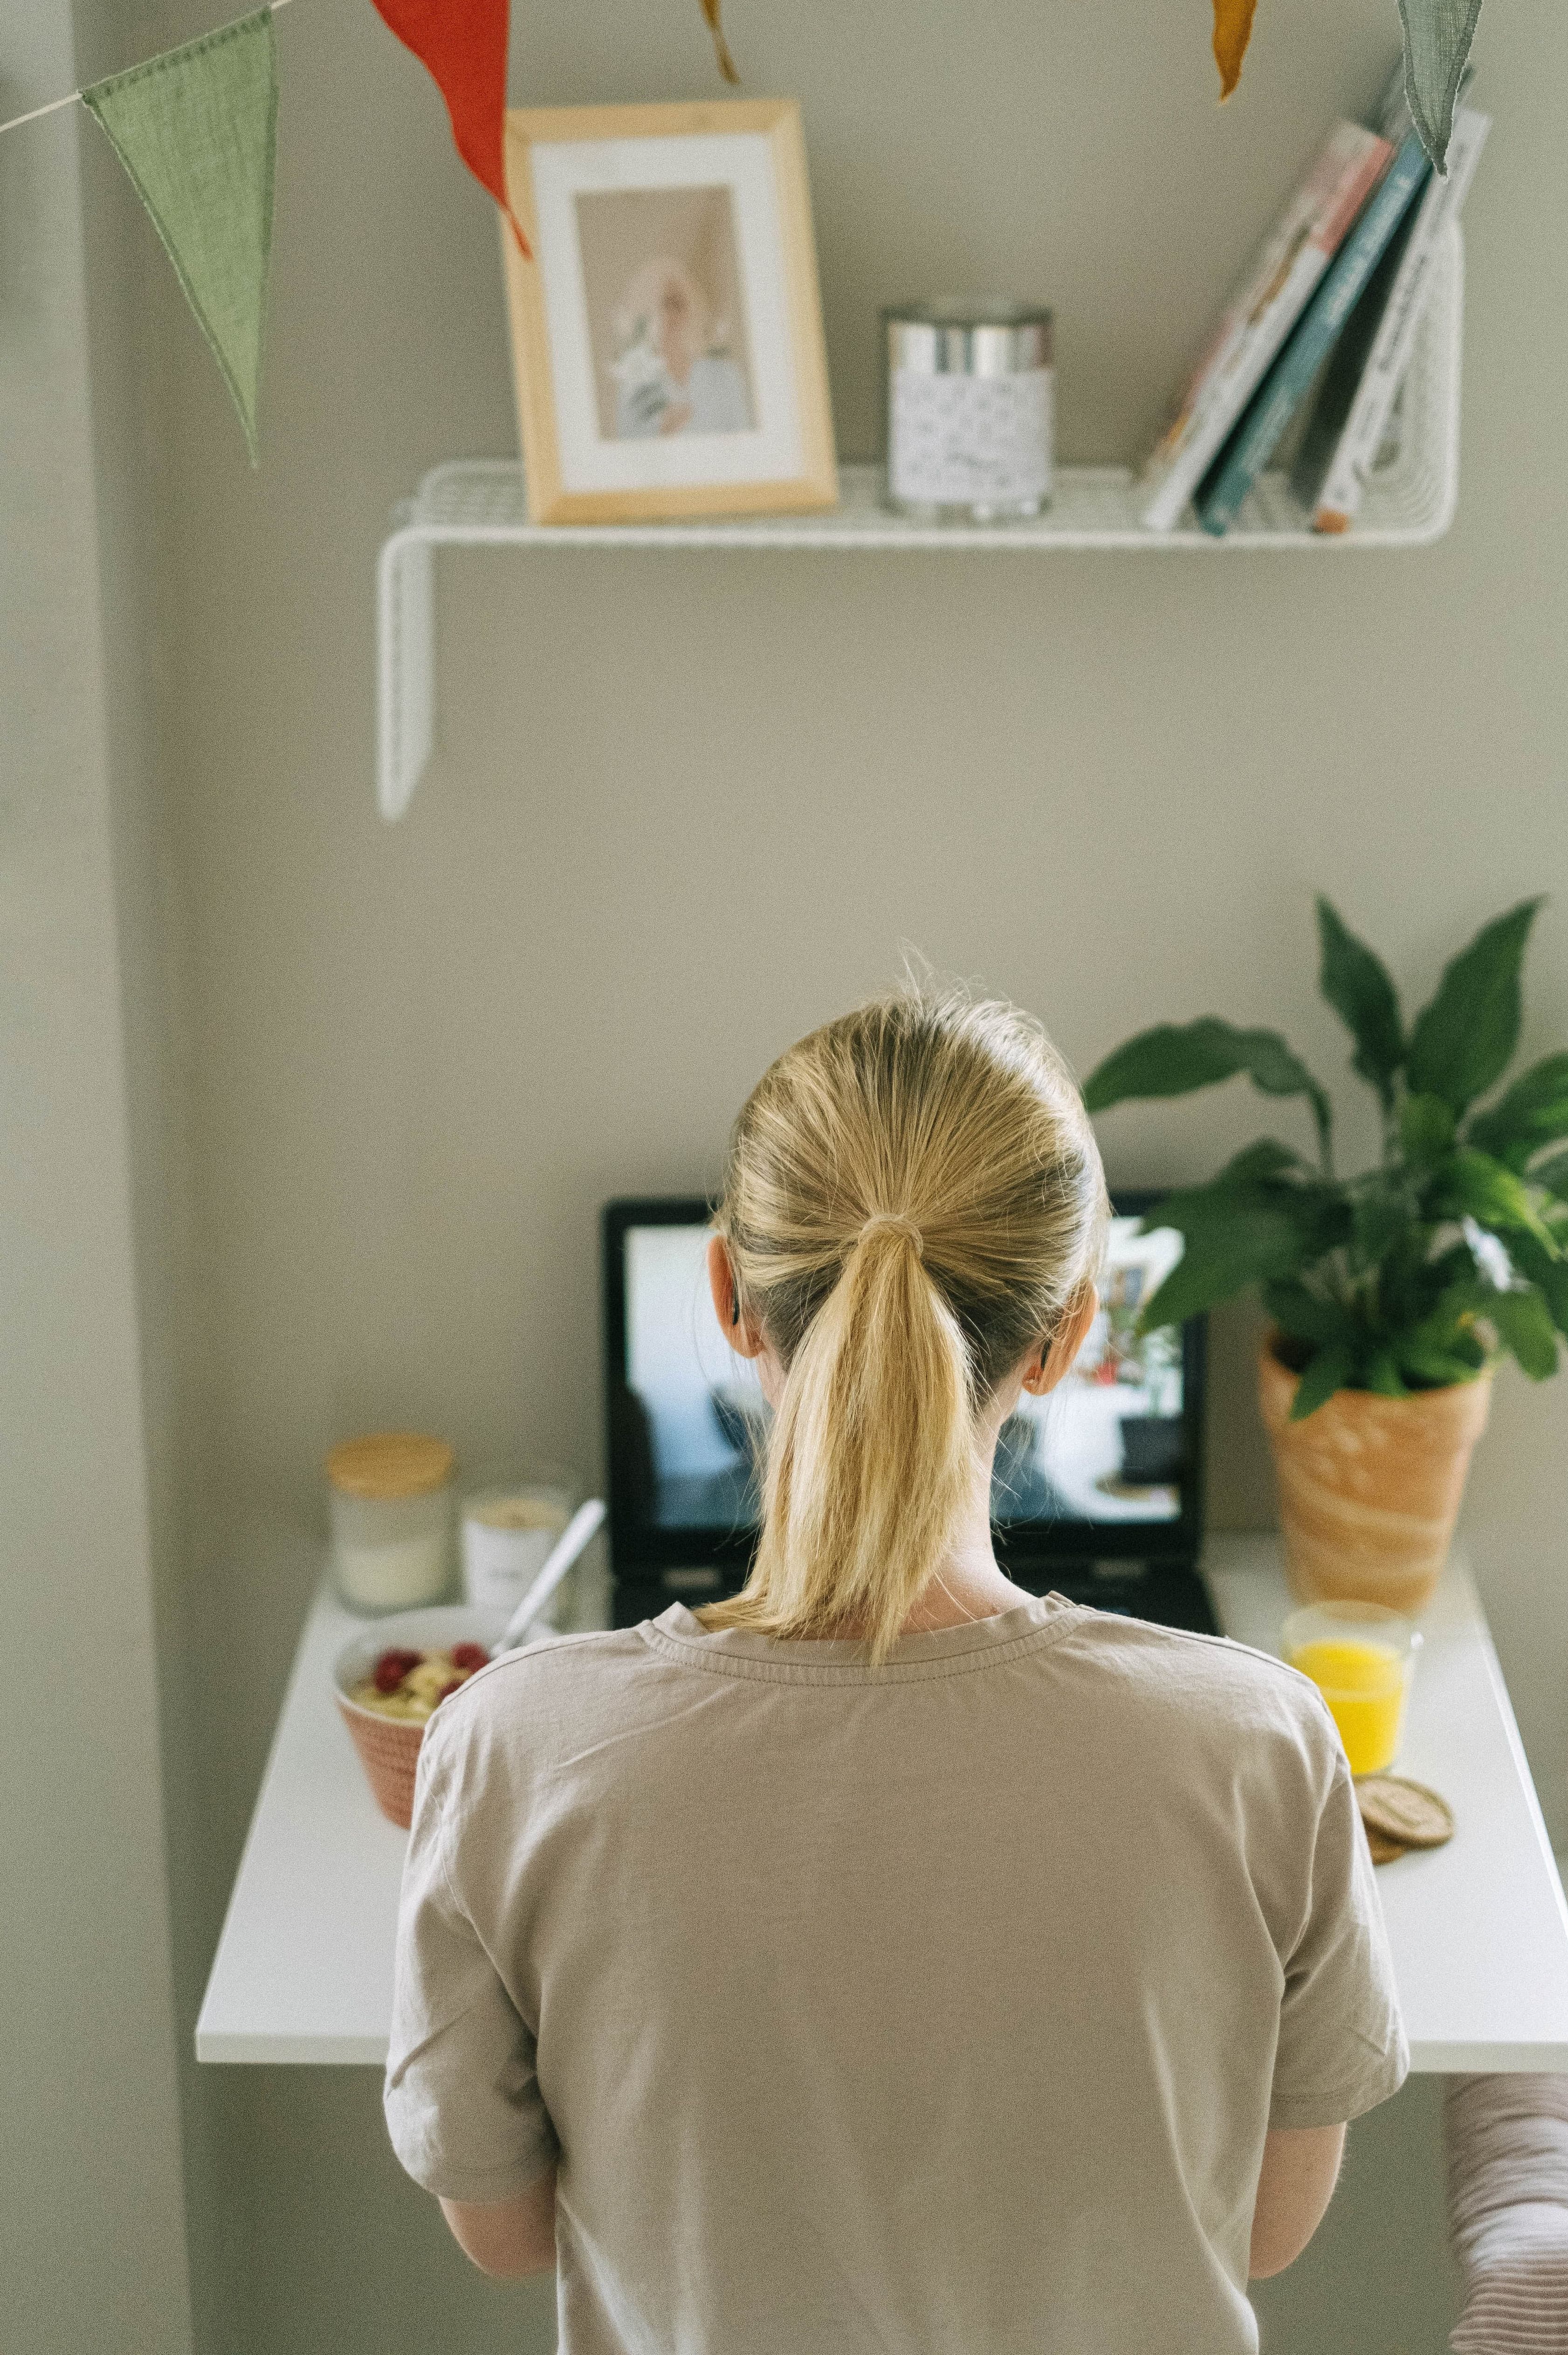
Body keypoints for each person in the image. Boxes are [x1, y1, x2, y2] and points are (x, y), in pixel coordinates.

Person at [385, 989, 1408, 2353]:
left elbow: (502, 2237)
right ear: (1062, 1337)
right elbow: (1264, 2232)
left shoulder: (511, 1747)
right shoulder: (1260, 1743)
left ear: (726, 1295)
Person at [609, 255, 752, 439]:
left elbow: (746, 444)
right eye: (662, 305)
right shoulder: (633, 389)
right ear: (644, 313)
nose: (671, 315)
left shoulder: (725, 375)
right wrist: (662, 434)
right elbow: (627, 458)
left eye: (678, 303)